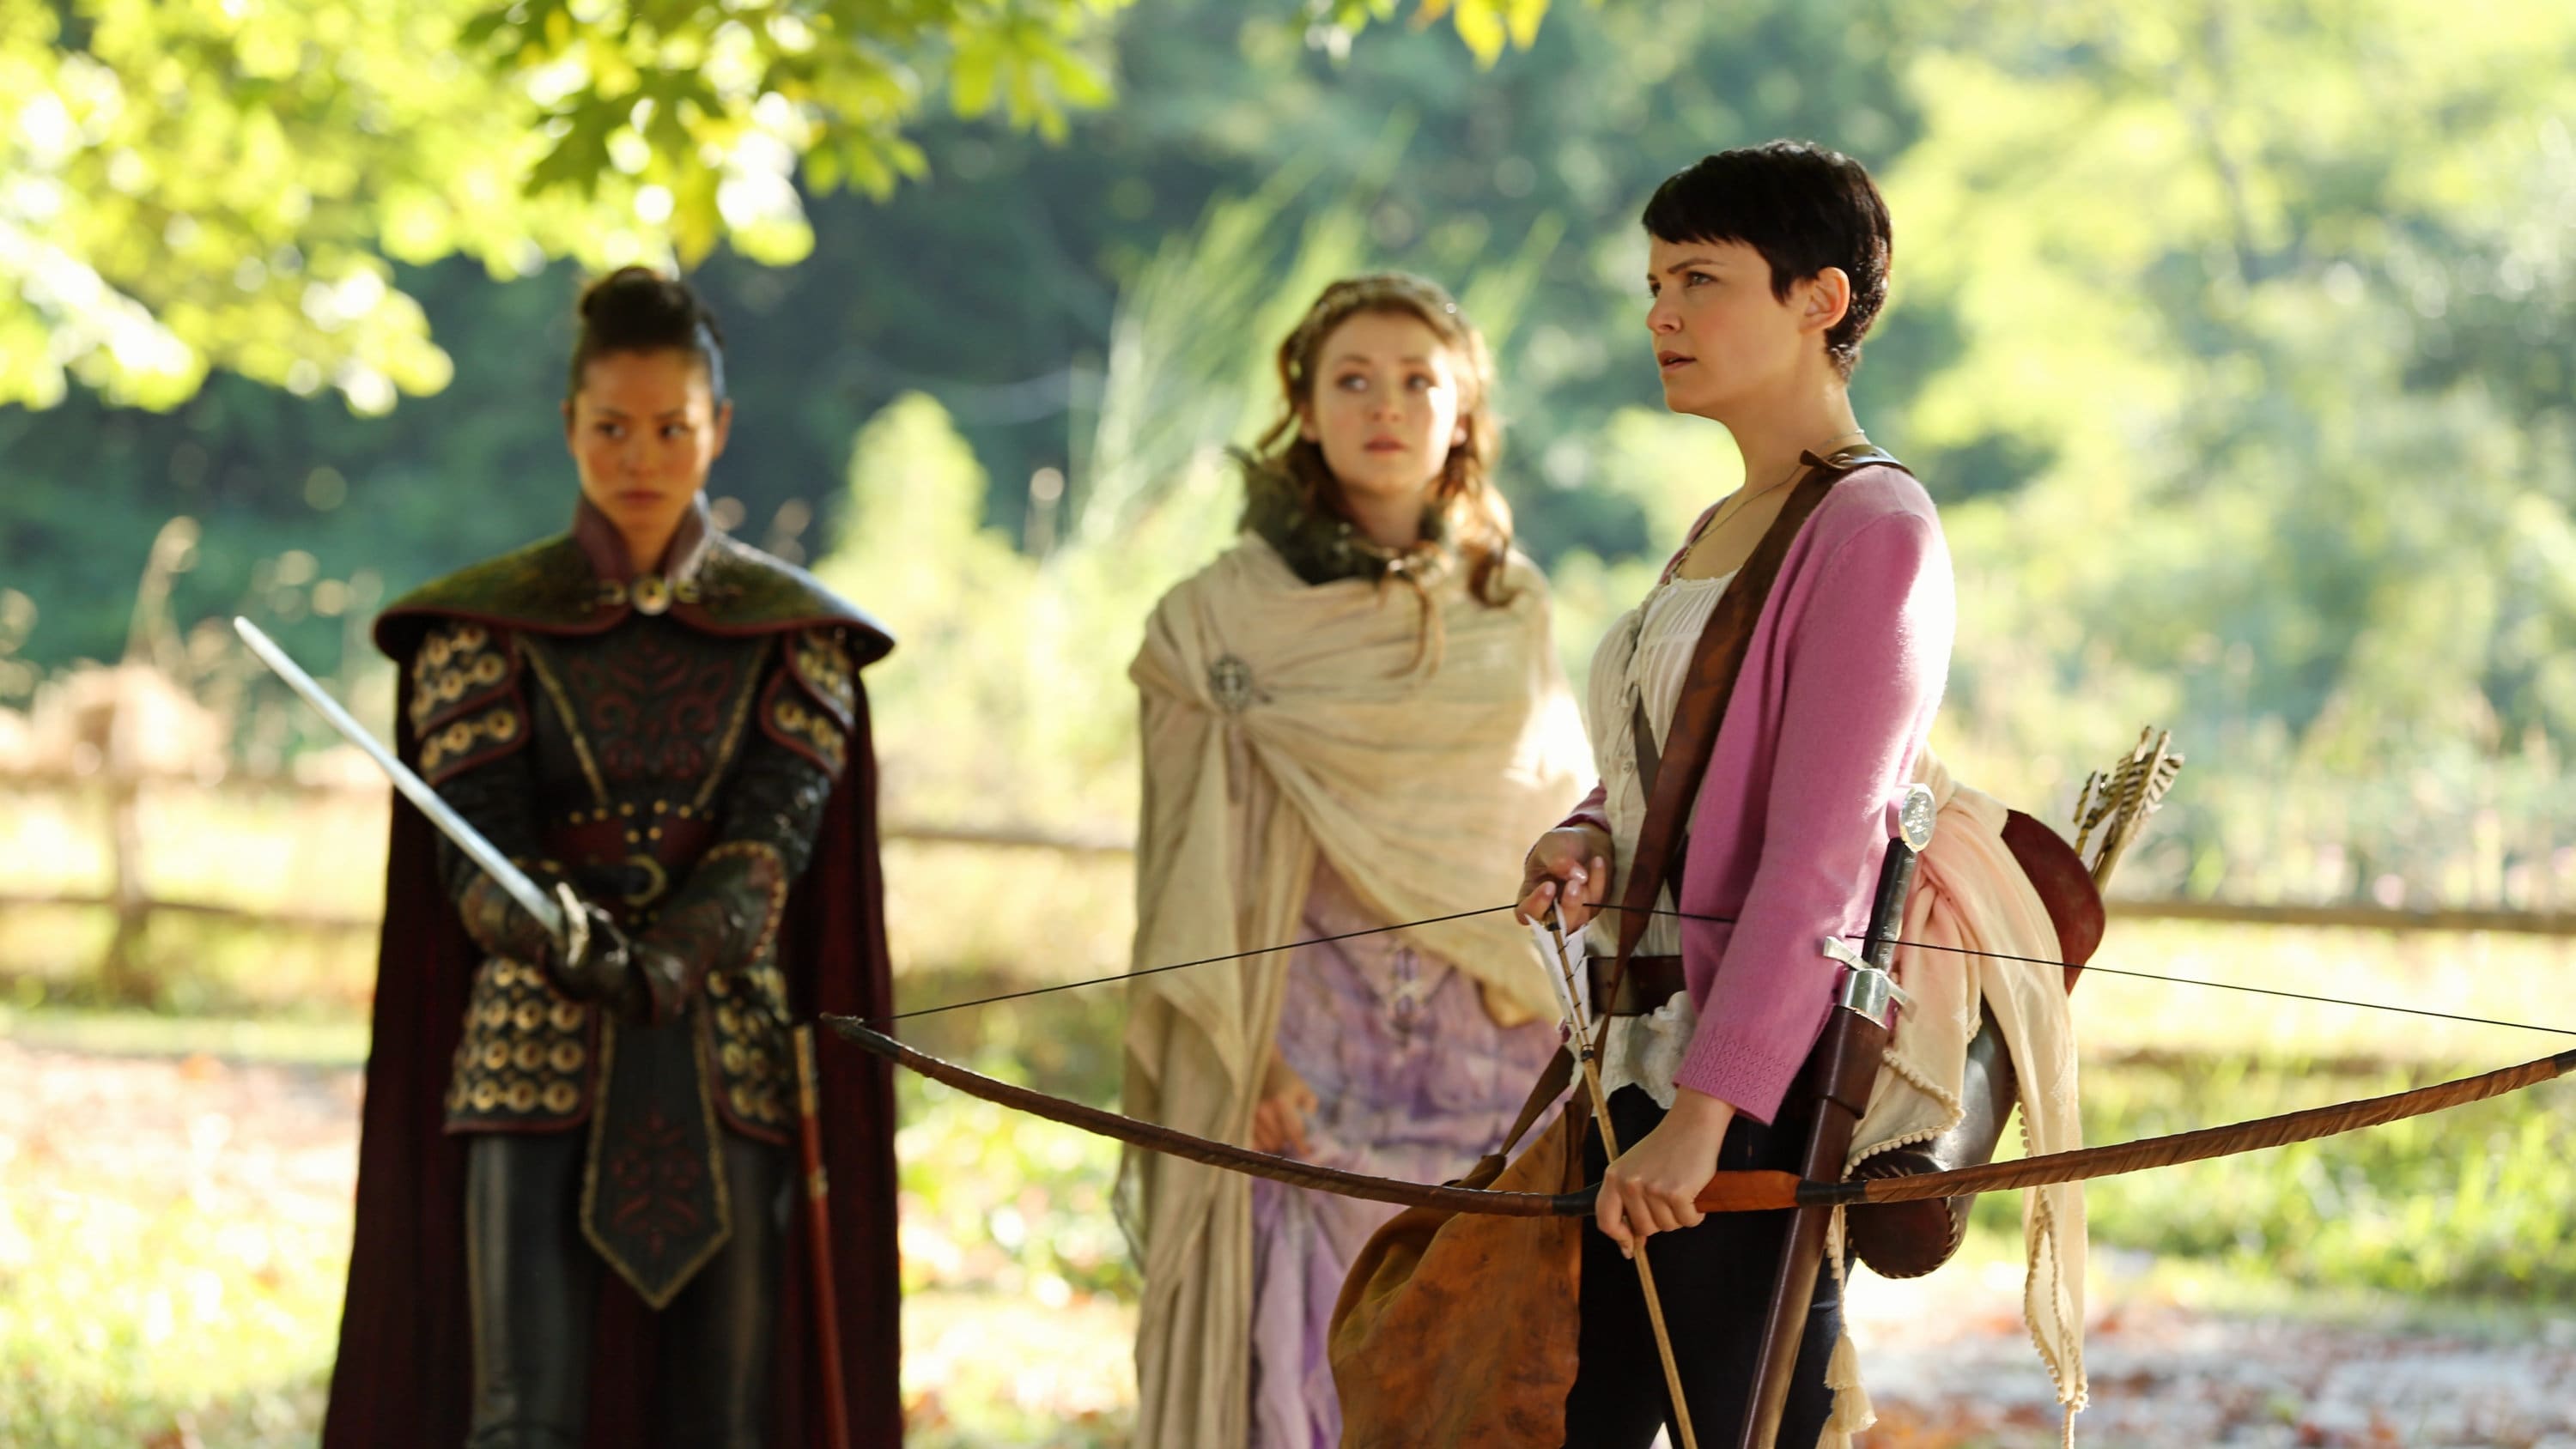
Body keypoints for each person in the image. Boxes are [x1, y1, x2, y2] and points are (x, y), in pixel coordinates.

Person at [321, 267, 902, 1449]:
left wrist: (680, 951)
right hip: (529, 1039)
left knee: (722, 1425)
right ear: (569, 426)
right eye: (612, 427)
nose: (641, 456)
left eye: (671, 428)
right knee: (519, 1420)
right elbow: (474, 842)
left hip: (728, 1045)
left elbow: (775, 836)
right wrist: (548, 929)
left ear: (718, 428)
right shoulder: (479, 629)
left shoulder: (797, 639)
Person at [1515, 141, 1956, 1447]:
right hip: (1631, 1059)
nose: (1661, 314)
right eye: (1654, 283)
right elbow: (1675, 769)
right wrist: (1588, 832)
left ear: (1820, 299)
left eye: (1699, 279)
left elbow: (1826, 854)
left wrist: (1710, 1116)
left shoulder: (1873, 529)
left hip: (1743, 1091)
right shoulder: (1724, 522)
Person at [1121, 273, 1592, 1449]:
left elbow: (1553, 822)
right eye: (1354, 379)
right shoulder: (1214, 622)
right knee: (1304, 1374)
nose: (1386, 406)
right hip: (1303, 1056)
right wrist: (1252, 1053)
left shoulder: (1510, 610)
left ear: (1463, 412)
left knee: (1481, 1369)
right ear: (1305, 404)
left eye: (1418, 381)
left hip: (1493, 1054)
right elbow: (1185, 863)